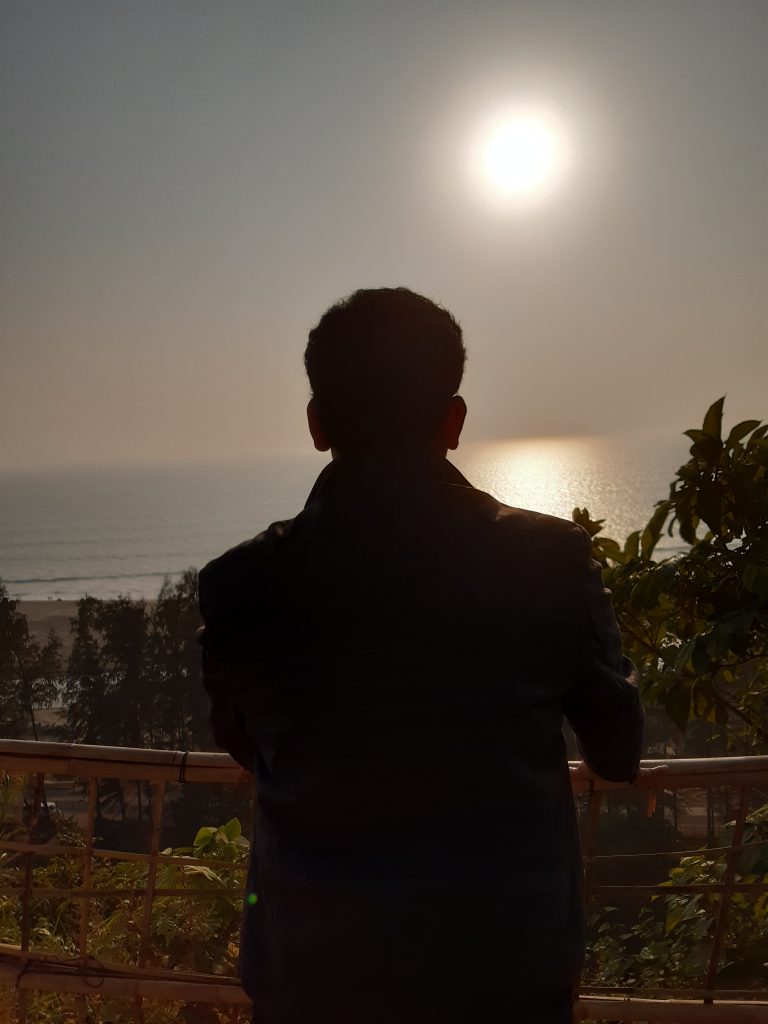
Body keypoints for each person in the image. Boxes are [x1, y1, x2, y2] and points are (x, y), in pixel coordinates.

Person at [198, 287, 643, 1024]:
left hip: (311, 981)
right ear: (455, 419)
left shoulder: (239, 584)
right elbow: (620, 751)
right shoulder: (547, 562)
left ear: (316, 424)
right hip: (503, 979)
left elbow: (245, 741)